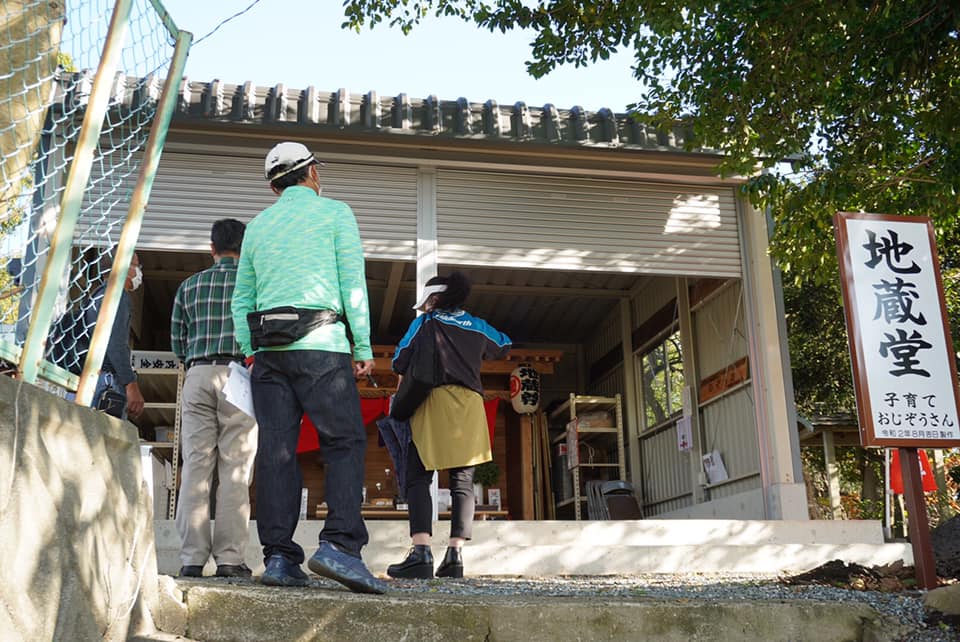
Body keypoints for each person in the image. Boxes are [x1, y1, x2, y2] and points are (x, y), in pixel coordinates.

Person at [231, 141, 386, 594]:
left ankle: (279, 557)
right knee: (344, 442)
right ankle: (340, 546)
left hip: (269, 354)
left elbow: (243, 298)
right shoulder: (336, 214)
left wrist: (250, 349)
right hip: (323, 344)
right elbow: (352, 282)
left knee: (277, 450)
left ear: (272, 184)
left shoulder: (257, 226)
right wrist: (362, 345)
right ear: (312, 173)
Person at [386, 271, 511, 580]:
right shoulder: (480, 326)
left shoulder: (424, 323)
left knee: (417, 476)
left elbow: (398, 360)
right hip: (470, 406)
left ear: (436, 298)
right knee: (463, 483)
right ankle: (455, 556)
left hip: (433, 402)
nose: (424, 307)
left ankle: (421, 553)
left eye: (427, 301)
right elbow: (505, 345)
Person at [171, 219, 258, 580]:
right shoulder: (254, 286)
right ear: (246, 246)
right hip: (238, 375)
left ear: (212, 248)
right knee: (235, 469)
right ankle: (229, 559)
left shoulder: (188, 286)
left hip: (197, 373)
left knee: (195, 466)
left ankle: (192, 558)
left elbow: (178, 344)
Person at [91, 251, 145, 419]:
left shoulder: (96, 295)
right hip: (108, 382)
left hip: (92, 378)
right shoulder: (118, 296)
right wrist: (131, 384)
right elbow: (115, 344)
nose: (139, 271)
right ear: (124, 268)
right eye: (136, 266)